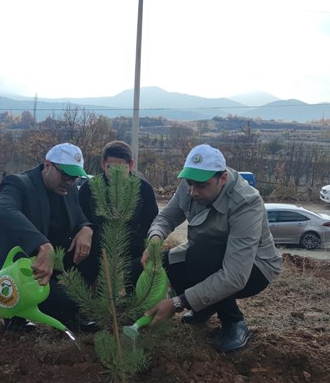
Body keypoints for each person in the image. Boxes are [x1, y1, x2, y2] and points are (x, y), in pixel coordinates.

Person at [142, 144, 282, 352]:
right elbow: (167, 217)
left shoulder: (246, 202)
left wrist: (177, 303)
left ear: (222, 179)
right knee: (167, 262)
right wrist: (154, 238)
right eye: (189, 184)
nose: (193, 191)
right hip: (209, 254)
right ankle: (204, 307)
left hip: (254, 268)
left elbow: (235, 275)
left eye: (201, 186)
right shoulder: (190, 186)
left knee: (200, 257)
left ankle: (234, 323)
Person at [0, 142, 97, 332]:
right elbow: (5, 213)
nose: (70, 181)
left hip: (53, 263)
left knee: (94, 253)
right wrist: (42, 245)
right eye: (65, 175)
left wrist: (86, 229)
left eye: (75, 177)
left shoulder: (70, 190)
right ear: (48, 165)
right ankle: (16, 312)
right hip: (22, 267)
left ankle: (69, 310)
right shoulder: (18, 183)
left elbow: (79, 216)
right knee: (66, 304)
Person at [78, 140, 159, 288]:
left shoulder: (143, 189)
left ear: (131, 165)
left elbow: (150, 222)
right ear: (103, 164)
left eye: (122, 168)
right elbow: (80, 218)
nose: (116, 173)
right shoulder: (89, 188)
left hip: (132, 248)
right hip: (96, 247)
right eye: (111, 167)